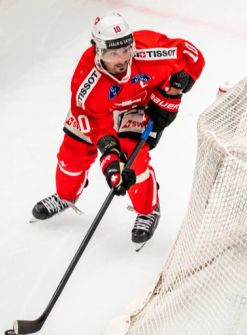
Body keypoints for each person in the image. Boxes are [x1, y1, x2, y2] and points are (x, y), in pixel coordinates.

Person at [30, 13, 205, 244]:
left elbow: (192, 56)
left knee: (135, 159)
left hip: (139, 105)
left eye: (126, 49)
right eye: (113, 53)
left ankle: (148, 209)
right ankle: (66, 196)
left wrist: (177, 87)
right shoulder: (87, 83)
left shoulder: (150, 50)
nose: (122, 58)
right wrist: (111, 159)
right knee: (72, 155)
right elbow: (94, 122)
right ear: (98, 51)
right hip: (97, 115)